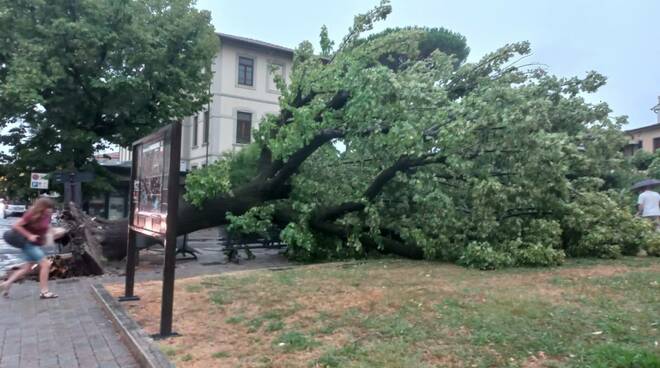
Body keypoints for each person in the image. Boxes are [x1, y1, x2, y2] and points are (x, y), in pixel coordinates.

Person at [0, 197, 58, 299]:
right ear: (42, 207)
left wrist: (51, 235)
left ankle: (7, 284)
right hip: (27, 242)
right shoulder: (31, 214)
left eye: (52, 208)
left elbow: (47, 227)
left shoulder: (48, 216)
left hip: (35, 243)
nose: (51, 210)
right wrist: (29, 235)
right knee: (45, 264)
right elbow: (16, 226)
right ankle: (44, 292)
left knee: (27, 268)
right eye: (48, 208)